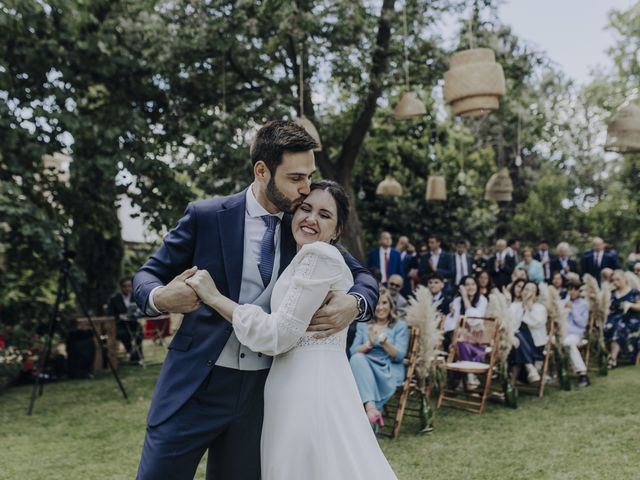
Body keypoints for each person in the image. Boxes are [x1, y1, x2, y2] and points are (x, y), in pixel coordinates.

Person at [133, 122, 379, 480]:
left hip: (261, 396)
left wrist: (355, 303)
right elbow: (145, 275)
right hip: (195, 386)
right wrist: (161, 297)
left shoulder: (301, 225)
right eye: (296, 178)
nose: (305, 189)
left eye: (309, 176)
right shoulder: (206, 216)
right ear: (262, 171)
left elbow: (364, 277)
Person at [185, 180, 395, 479]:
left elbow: (278, 335)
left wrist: (214, 297)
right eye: (305, 208)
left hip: (307, 388)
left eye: (324, 215)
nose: (311, 218)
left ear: (337, 231)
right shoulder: (300, 251)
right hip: (304, 381)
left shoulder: (318, 255)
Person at [349, 287, 409, 432]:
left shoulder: (400, 326)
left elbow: (400, 356)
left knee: (360, 370)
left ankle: (369, 416)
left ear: (390, 305)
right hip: (366, 367)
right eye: (377, 304)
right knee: (357, 358)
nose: (380, 307)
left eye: (384, 303)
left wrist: (384, 342)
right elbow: (353, 350)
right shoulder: (364, 324)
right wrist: (370, 342)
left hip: (389, 367)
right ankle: (371, 409)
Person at [508, 281, 548, 384]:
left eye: (533, 290)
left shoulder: (540, 308)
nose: (529, 292)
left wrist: (528, 306)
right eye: (526, 289)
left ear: (536, 295)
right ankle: (529, 367)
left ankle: (510, 385)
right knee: (516, 339)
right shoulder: (514, 306)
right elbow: (510, 325)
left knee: (516, 337)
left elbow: (537, 323)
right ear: (521, 292)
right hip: (516, 344)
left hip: (536, 347)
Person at [443, 276, 488, 354]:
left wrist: (465, 297)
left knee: (460, 341)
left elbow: (474, 320)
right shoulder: (457, 300)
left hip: (476, 335)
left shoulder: (482, 300)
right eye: (467, 285)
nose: (470, 287)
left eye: (473, 284)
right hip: (458, 336)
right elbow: (451, 324)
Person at [605, 270, 640, 368]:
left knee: (620, 327)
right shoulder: (611, 294)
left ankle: (613, 359)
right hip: (613, 318)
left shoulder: (634, 292)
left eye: (618, 279)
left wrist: (631, 305)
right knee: (608, 327)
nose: (615, 282)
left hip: (631, 318)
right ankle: (610, 354)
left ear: (625, 279)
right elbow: (607, 308)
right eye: (613, 280)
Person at [107, 277, 143, 364]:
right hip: (120, 324)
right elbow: (110, 314)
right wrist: (120, 316)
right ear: (121, 287)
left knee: (139, 332)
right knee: (123, 334)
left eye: (129, 286)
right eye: (125, 286)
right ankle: (132, 354)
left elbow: (141, 309)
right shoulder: (114, 299)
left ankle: (137, 356)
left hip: (133, 322)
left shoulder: (135, 297)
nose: (127, 288)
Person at [561, 281, 591, 387]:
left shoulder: (583, 305)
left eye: (575, 289)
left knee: (568, 343)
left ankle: (583, 373)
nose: (572, 292)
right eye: (570, 289)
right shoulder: (562, 302)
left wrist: (572, 310)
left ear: (579, 291)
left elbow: (582, 324)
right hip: (561, 333)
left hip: (576, 334)